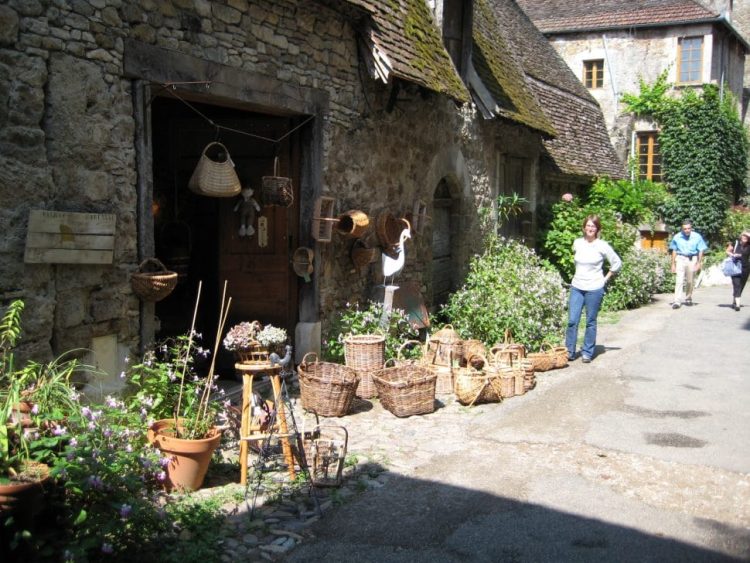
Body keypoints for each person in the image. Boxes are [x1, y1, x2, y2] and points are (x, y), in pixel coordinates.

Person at [565, 215, 622, 363]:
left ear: (597, 229)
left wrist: (605, 279)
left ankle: (587, 352)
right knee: (572, 320)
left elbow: (616, 263)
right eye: (588, 226)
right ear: (584, 228)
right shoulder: (577, 243)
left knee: (591, 321)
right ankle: (569, 351)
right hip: (577, 286)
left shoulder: (602, 245)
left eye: (593, 226)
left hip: (594, 288)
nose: (590, 228)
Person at [669, 220, 708, 309]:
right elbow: (674, 250)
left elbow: (701, 250)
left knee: (690, 281)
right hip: (680, 258)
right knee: (679, 280)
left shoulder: (697, 236)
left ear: (691, 228)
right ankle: (677, 301)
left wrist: (699, 262)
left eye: (688, 228)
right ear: (682, 229)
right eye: (685, 229)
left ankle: (688, 297)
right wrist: (673, 264)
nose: (687, 230)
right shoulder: (677, 237)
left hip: (692, 259)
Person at [725, 230, 750, 311]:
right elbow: (727, 251)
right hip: (735, 266)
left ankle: (735, 300)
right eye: (744, 236)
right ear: (741, 236)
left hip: (745, 268)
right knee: (737, 284)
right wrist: (733, 255)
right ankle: (738, 305)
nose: (745, 238)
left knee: (741, 285)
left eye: (747, 237)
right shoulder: (736, 243)